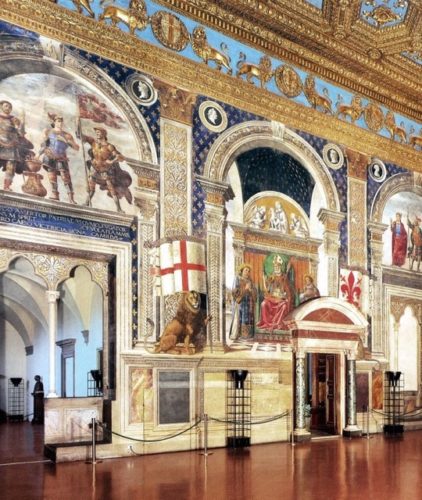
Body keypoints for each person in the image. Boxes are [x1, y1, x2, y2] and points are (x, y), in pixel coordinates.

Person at [83, 127, 132, 212]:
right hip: (94, 168)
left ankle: (119, 209)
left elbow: (120, 157)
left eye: (99, 132)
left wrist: (112, 161)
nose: (97, 134)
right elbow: (81, 136)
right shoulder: (93, 143)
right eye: (96, 132)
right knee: (91, 187)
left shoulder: (109, 147)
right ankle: (87, 202)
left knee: (111, 188)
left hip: (104, 170)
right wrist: (77, 122)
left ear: (104, 134)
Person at [39, 113, 79, 203]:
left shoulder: (67, 135)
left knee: (65, 177)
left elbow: (77, 148)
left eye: (61, 121)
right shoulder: (48, 132)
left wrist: (65, 141)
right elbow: (44, 145)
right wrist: (38, 155)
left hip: (61, 157)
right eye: (58, 121)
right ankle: (55, 194)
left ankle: (71, 198)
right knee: (52, 176)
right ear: (54, 122)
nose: (60, 123)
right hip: (50, 156)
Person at [0, 99, 34, 191]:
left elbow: (21, 133)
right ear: (1, 106)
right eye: (6, 106)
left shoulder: (14, 119)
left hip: (12, 145)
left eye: (10, 106)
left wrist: (22, 122)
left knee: (11, 167)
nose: (8, 108)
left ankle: (7, 186)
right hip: (0, 144)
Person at [256, 254, 293, 331]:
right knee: (263, 304)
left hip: (280, 300)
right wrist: (265, 280)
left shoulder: (284, 278)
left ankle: (278, 323)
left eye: (278, 266)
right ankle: (266, 323)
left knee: (284, 306)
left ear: (280, 267)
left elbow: (288, 292)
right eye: (275, 267)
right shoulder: (271, 278)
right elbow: (267, 288)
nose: (276, 268)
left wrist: (286, 298)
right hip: (271, 298)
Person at [229, 263, 257, 340]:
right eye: (246, 270)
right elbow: (235, 291)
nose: (247, 272)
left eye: (248, 271)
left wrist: (251, 290)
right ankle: (237, 334)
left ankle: (247, 335)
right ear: (242, 271)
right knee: (239, 318)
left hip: (248, 303)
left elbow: (254, 291)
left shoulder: (250, 280)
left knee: (248, 318)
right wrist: (245, 289)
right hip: (241, 302)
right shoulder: (237, 279)